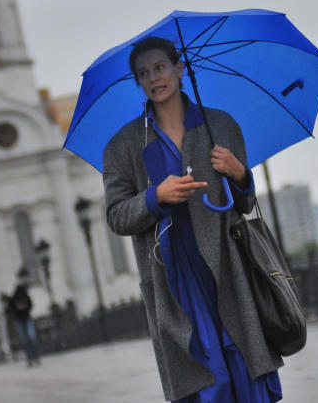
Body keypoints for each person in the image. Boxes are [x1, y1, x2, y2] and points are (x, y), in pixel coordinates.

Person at [102, 36, 283, 402]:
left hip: (228, 263)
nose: (154, 78)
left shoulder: (221, 126)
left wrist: (239, 173)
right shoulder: (124, 145)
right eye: (143, 73)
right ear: (138, 82)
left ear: (179, 69)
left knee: (242, 357)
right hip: (174, 274)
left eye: (160, 67)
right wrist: (156, 197)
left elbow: (244, 203)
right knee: (203, 369)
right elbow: (117, 216)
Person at [6, 277, 40, 366]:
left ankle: (32, 358)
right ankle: (34, 357)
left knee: (26, 339)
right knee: (30, 338)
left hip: (21, 320)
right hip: (25, 319)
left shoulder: (15, 298)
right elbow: (30, 305)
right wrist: (24, 310)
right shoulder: (22, 296)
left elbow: (10, 309)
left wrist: (19, 311)